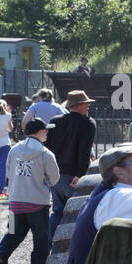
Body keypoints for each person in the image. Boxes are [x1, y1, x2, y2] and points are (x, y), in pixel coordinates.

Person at [0, 118, 59, 264]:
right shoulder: (45, 153)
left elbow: (8, 172)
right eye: (46, 130)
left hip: (15, 200)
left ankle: (0, 256)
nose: (47, 132)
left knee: (12, 232)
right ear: (40, 131)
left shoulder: (14, 150)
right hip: (37, 202)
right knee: (41, 237)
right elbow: (54, 179)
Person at [45, 90, 97, 240]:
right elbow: (84, 151)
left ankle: (51, 243)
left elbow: (47, 148)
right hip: (73, 176)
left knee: (57, 212)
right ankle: (70, 246)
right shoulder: (88, 123)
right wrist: (80, 175)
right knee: (77, 214)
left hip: (55, 174)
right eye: (86, 104)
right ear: (80, 105)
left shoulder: (55, 121)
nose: (88, 107)